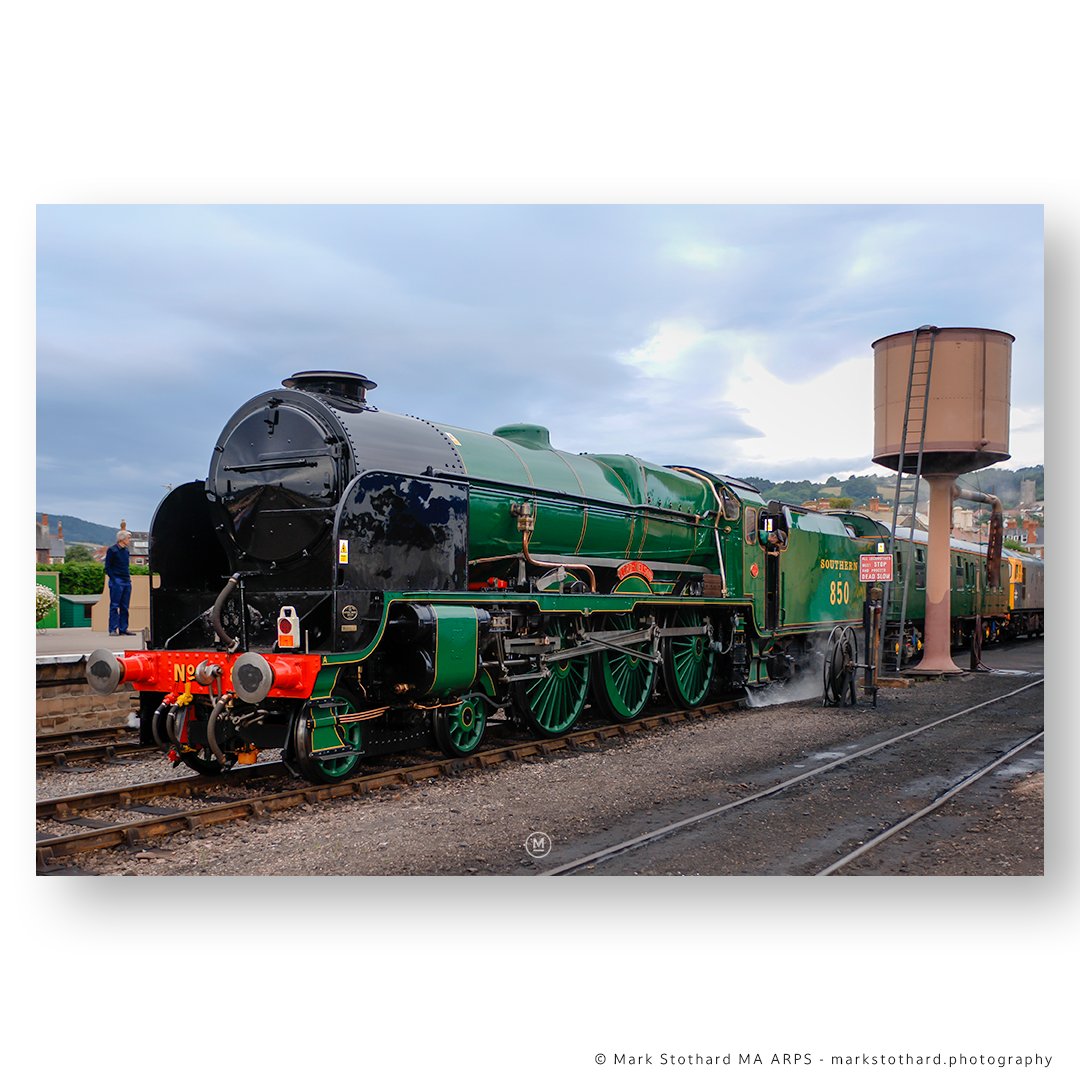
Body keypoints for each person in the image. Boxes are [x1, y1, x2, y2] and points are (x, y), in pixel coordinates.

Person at [105, 530, 134, 635]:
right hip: (117, 580)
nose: (129, 540)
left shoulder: (126, 551)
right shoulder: (112, 550)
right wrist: (114, 579)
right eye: (128, 538)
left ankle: (123, 629)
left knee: (125, 606)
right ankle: (113, 629)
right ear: (122, 539)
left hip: (126, 580)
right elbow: (107, 567)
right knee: (114, 605)